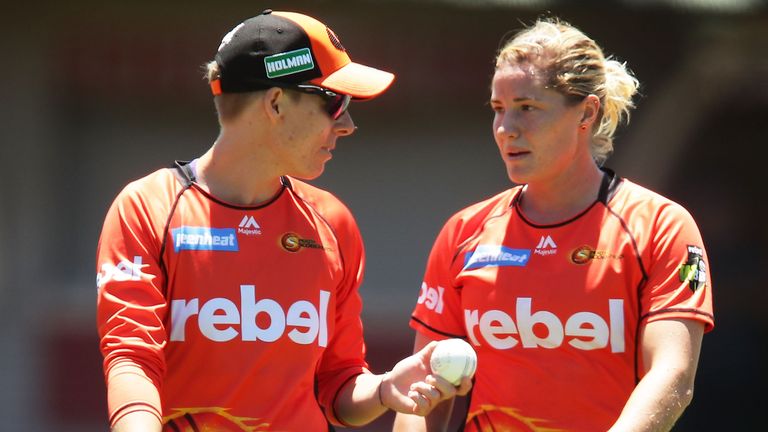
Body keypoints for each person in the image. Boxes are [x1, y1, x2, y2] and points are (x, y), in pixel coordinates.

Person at [96, 9, 469, 432]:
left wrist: (383, 389)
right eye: (334, 102)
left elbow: (338, 385)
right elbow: (132, 360)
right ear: (275, 102)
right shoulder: (148, 206)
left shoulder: (332, 221)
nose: (347, 124)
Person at [393, 17, 714, 432]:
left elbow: (672, 377)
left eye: (527, 108)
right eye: (498, 109)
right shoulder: (464, 231)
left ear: (586, 113)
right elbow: (422, 391)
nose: (506, 129)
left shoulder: (661, 225)